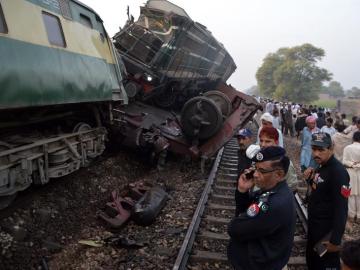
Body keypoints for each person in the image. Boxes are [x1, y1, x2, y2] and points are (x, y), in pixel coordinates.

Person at [227, 146, 296, 270]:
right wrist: (242, 191)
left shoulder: (273, 203)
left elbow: (234, 229)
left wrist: (237, 222)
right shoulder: (273, 190)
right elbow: (244, 212)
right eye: (255, 169)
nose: (256, 175)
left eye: (262, 171)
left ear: (279, 174)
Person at [304, 132, 350, 270]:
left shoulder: (339, 172)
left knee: (325, 265)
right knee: (313, 262)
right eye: (314, 149)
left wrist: (335, 241)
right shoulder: (321, 166)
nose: (316, 154)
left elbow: (342, 208)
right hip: (315, 227)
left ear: (331, 149)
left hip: (326, 233)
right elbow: (320, 190)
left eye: (321, 150)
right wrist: (309, 179)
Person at [259, 127, 298, 191]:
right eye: (261, 141)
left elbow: (292, 186)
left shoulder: (284, 163)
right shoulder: (258, 159)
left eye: (267, 141)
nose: (263, 145)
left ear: (276, 142)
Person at [235, 128, 254, 217]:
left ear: (250, 139)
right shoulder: (241, 152)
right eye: (239, 139)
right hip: (241, 189)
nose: (241, 141)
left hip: (249, 191)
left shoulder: (254, 154)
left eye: (243, 138)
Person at [342, 131, 360, 224]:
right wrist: (357, 165)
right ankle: (359, 216)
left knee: (351, 194)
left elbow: (344, 161)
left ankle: (352, 216)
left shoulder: (347, 148)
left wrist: (352, 164)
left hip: (350, 172)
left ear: (353, 138)